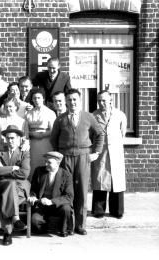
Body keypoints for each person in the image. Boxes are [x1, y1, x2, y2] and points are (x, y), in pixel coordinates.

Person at [50, 88, 104, 235]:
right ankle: (68, 225)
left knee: (81, 191)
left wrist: (96, 153)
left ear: (79, 101)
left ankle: (80, 225)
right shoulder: (60, 119)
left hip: (83, 157)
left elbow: (100, 134)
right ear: (66, 102)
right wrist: (59, 155)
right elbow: (53, 139)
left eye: (74, 99)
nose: (72, 102)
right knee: (67, 191)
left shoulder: (88, 117)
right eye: (69, 100)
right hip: (65, 157)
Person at [91, 90, 127, 219]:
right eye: (99, 100)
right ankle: (98, 210)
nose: (101, 103)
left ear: (110, 100)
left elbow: (122, 133)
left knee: (116, 181)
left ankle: (117, 211)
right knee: (100, 180)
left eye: (104, 100)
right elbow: (91, 135)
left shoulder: (120, 115)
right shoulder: (94, 116)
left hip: (115, 152)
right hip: (100, 153)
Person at [0, 125, 31, 245]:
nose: (10, 141)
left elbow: (24, 173)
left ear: (19, 139)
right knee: (10, 186)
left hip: (20, 186)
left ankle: (7, 233)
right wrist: (13, 168)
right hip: (2, 184)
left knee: (8, 196)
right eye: (8, 138)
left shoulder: (24, 153)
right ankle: (16, 219)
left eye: (13, 138)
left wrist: (5, 169)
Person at [28, 151, 74, 237]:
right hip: (42, 205)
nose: (46, 164)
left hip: (58, 206)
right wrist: (33, 196)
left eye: (49, 162)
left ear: (58, 163)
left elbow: (69, 196)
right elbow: (33, 188)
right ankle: (46, 227)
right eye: (45, 161)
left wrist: (52, 201)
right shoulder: (39, 171)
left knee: (66, 208)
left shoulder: (66, 175)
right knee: (35, 222)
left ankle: (63, 229)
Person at [25, 89, 56, 175]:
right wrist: (31, 134)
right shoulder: (28, 113)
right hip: (33, 143)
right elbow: (25, 130)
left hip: (45, 141)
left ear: (43, 99)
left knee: (44, 162)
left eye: (39, 98)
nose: (37, 100)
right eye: (34, 98)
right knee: (33, 163)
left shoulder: (50, 113)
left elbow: (53, 130)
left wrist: (42, 135)